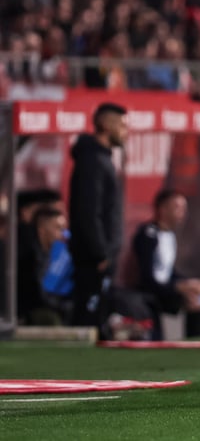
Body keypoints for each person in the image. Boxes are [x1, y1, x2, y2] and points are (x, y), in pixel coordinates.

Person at [120, 189, 200, 340]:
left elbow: (167, 271)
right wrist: (180, 287)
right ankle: (192, 343)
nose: (183, 213)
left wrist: (193, 283)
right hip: (150, 290)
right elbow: (148, 277)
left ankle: (198, 344)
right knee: (194, 298)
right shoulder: (148, 234)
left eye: (184, 208)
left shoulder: (170, 235)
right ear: (163, 209)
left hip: (166, 287)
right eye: (177, 208)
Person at [68, 102, 127, 331]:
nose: (126, 131)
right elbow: (89, 211)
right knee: (87, 317)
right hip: (93, 258)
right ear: (105, 125)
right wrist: (99, 252)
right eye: (121, 125)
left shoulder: (101, 159)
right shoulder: (92, 161)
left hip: (101, 256)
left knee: (98, 315)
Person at [16, 207, 68, 325]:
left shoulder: (49, 252)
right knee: (50, 319)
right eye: (58, 228)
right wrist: (60, 306)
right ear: (42, 229)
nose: (63, 234)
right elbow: (37, 295)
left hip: (34, 307)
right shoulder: (28, 254)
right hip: (22, 312)